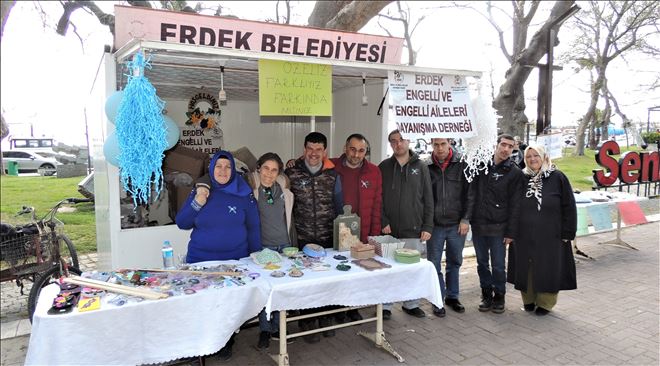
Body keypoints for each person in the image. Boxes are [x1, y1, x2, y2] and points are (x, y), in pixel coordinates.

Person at [175, 150, 261, 361]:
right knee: (202, 305)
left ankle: (226, 341)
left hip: (234, 262)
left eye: (227, 166)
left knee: (228, 306)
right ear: (212, 169)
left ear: (233, 170)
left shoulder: (244, 193)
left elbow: (253, 227)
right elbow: (182, 222)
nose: (223, 170)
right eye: (218, 166)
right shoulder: (201, 190)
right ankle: (201, 343)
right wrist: (198, 202)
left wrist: (254, 256)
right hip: (200, 261)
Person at [285, 131, 343, 343]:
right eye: (310, 149)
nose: (314, 153)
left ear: (325, 151)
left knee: (326, 279)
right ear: (304, 149)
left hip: (328, 238)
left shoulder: (333, 175)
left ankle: (326, 317)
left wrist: (341, 237)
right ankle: (306, 320)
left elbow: (339, 206)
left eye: (319, 149)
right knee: (305, 282)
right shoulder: (291, 174)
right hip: (302, 238)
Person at [507, 143, 577, 316]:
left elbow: (569, 205)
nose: (532, 159)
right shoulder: (522, 178)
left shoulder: (558, 177)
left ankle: (545, 303)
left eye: (536, 156)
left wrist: (568, 232)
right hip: (523, 234)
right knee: (526, 267)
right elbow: (513, 205)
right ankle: (529, 299)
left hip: (551, 234)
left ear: (544, 157)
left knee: (548, 267)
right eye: (529, 157)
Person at [379, 129, 434, 320]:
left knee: (412, 271)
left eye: (401, 140)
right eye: (393, 141)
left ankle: (411, 304)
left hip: (414, 230)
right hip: (390, 231)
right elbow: (378, 198)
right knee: (387, 269)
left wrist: (427, 226)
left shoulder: (422, 166)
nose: (398, 144)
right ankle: (385, 306)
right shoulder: (384, 167)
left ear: (408, 141)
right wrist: (383, 221)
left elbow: (428, 198)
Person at [330, 133, 382, 322]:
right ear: (345, 148)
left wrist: (374, 236)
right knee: (338, 270)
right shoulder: (331, 166)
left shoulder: (374, 171)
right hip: (337, 231)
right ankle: (337, 309)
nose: (356, 154)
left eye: (361, 151)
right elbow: (312, 160)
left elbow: (377, 204)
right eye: (353, 149)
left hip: (362, 231)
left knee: (358, 271)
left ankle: (353, 307)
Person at [471, 134, 524, 314]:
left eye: (510, 146)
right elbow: (472, 193)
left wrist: (511, 232)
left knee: (499, 265)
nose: (506, 149)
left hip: (500, 227)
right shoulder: (481, 166)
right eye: (503, 145)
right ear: (496, 145)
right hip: (479, 225)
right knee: (482, 263)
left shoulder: (515, 173)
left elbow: (516, 206)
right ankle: (486, 294)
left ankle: (499, 295)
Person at [248, 153, 295, 348]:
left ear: (279, 173)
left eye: (274, 169)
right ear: (259, 168)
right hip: (264, 248)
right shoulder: (252, 191)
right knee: (265, 292)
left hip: (284, 247)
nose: (269, 173)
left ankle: (279, 328)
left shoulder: (283, 190)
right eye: (266, 168)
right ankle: (265, 330)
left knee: (282, 289)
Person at [426, 137, 475, 318]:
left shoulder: (462, 164)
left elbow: (470, 194)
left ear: (449, 144)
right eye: (436, 144)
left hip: (457, 225)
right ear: (432, 145)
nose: (439, 148)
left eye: (443, 144)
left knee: (455, 262)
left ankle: (453, 297)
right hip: (435, 226)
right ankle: (438, 299)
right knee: (434, 264)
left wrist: (466, 219)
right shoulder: (426, 166)